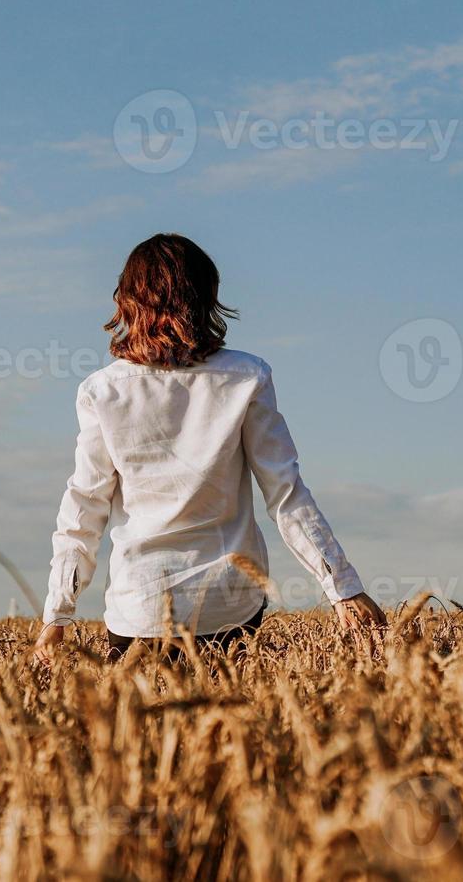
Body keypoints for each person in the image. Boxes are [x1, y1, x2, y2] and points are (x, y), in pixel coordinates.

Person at [32, 234, 385, 665]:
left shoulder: (102, 391)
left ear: (127, 302)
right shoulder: (247, 376)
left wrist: (58, 613)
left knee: (138, 730)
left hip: (139, 608)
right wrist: (342, 586)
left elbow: (84, 508)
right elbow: (286, 492)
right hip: (230, 605)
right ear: (206, 299)